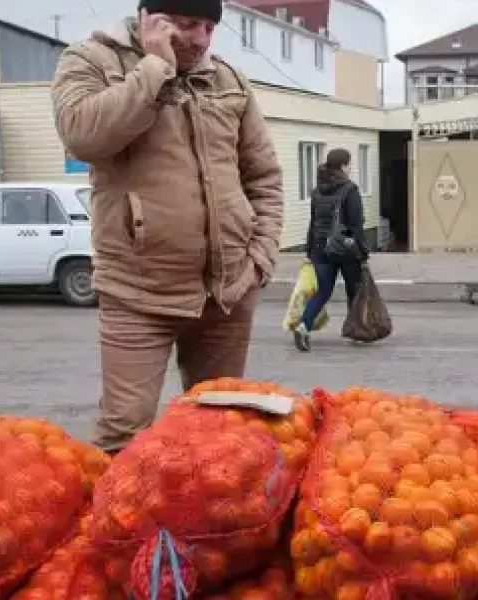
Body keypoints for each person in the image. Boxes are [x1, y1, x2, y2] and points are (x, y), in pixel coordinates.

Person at [50, 0, 284, 454]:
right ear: (148, 18)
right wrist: (156, 67)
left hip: (228, 289)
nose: (200, 39)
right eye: (186, 23)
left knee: (218, 428)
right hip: (138, 292)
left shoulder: (229, 80)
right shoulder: (91, 62)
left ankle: (200, 522)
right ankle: (118, 524)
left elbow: (263, 177)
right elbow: (84, 136)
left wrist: (260, 257)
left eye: (209, 27)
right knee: (124, 432)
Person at [292, 148, 368, 352]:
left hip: (319, 247)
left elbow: (314, 221)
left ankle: (303, 326)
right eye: (349, 164)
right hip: (345, 247)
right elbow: (356, 223)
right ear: (344, 165)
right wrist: (363, 252)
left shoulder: (317, 190)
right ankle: (356, 329)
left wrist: (309, 251)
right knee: (355, 289)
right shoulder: (349, 189)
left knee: (323, 292)